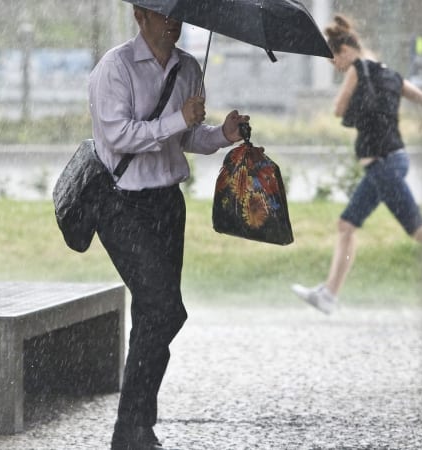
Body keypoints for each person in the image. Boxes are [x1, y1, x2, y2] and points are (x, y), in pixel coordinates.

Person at [89, 6, 250, 449]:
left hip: (166, 205)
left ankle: (136, 428)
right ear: (140, 16)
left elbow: (186, 139)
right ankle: (131, 426)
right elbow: (118, 135)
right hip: (120, 203)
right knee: (165, 309)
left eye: (176, 11)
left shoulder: (189, 67)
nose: (171, 20)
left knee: (151, 313)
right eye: (160, 12)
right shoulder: (115, 68)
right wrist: (179, 118)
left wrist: (223, 133)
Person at [292, 15, 422, 314]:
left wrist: (349, 101)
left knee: (420, 231)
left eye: (334, 61)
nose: (336, 67)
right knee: (346, 225)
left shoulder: (356, 68)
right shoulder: (390, 73)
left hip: (384, 164)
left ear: (345, 51)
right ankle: (329, 295)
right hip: (392, 161)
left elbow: (338, 109)